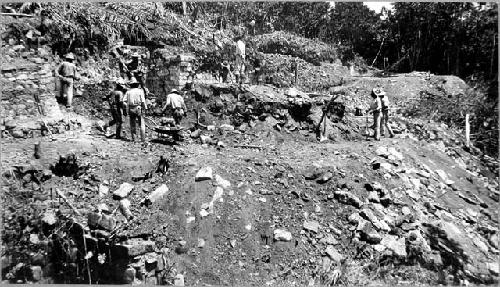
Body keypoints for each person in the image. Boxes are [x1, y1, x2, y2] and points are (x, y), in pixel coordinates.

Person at [123, 77, 147, 142]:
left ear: (131, 85)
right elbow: (143, 101)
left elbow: (124, 101)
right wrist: (145, 109)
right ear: (136, 84)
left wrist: (126, 107)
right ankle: (143, 139)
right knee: (141, 123)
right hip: (138, 108)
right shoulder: (140, 91)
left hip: (131, 108)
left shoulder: (128, 92)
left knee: (132, 123)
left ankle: (134, 138)